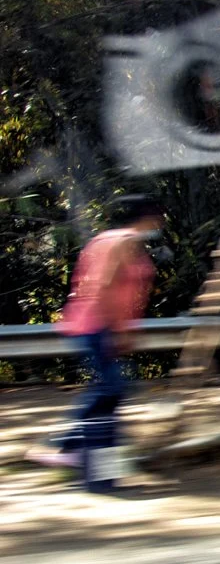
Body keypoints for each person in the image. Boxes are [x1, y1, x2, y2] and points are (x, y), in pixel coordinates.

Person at [26, 195, 160, 469]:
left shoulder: (107, 239)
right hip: (98, 324)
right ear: (149, 217)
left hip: (92, 323)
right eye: (158, 218)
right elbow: (104, 288)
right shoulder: (123, 242)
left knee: (113, 390)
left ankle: (99, 458)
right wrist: (120, 331)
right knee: (112, 387)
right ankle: (64, 446)